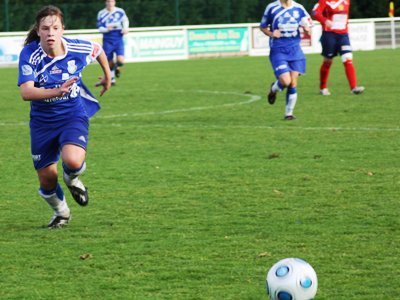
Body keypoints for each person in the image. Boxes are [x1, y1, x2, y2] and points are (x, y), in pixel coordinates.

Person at [18, 5, 111, 228]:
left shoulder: (76, 48)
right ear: (38, 31)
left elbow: (97, 50)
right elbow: (26, 93)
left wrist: (108, 76)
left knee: (72, 160)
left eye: (55, 28)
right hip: (42, 122)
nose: (51, 33)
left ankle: (72, 179)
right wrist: (57, 91)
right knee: (47, 178)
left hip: (72, 114)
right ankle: (61, 213)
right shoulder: (30, 53)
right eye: (45, 28)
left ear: (62, 30)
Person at [260, 0, 312, 120]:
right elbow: (262, 27)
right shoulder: (272, 8)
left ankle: (289, 114)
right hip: (278, 50)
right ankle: (273, 89)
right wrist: (272, 34)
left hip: (295, 50)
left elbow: (308, 26)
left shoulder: (299, 8)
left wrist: (306, 29)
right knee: (285, 81)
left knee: (293, 83)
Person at [312, 0, 365, 95]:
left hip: (343, 35)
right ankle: (323, 87)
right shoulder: (324, 1)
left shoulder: (346, 1)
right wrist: (324, 20)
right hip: (329, 35)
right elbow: (315, 12)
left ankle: (354, 88)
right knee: (327, 61)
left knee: (347, 59)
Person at [97, 0, 129, 85]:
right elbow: (100, 28)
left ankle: (117, 67)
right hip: (107, 39)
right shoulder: (101, 13)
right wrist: (107, 29)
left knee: (121, 61)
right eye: (108, 1)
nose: (110, 3)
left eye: (111, 1)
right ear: (105, 2)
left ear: (114, 2)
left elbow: (125, 21)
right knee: (109, 61)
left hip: (118, 38)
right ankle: (112, 79)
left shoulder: (120, 11)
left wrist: (125, 28)